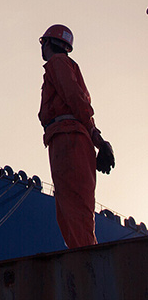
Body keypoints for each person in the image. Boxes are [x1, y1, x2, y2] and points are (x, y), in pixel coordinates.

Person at [38, 24, 115, 249]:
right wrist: (97, 141)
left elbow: (74, 98)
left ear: (49, 42)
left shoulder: (58, 63)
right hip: (67, 137)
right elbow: (80, 105)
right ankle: (83, 253)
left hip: (68, 138)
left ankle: (86, 257)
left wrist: (97, 140)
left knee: (74, 204)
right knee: (71, 205)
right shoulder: (64, 66)